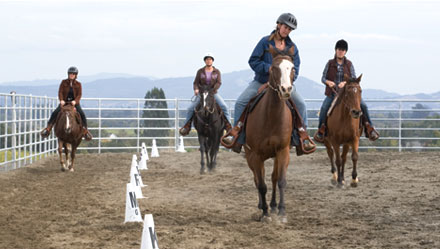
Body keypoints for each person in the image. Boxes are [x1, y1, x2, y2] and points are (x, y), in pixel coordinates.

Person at [222, 13, 315, 153]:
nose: (287, 30)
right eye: (285, 27)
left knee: (301, 104)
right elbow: (253, 60)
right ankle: (237, 136)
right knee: (241, 102)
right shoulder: (264, 42)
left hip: (283, 84)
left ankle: (301, 137)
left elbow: (295, 68)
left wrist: (287, 81)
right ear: (278, 25)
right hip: (261, 82)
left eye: (290, 29)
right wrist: (268, 69)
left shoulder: (292, 47)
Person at [313, 39, 379, 142]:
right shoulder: (330, 63)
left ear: (345, 52)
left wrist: (345, 83)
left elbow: (353, 78)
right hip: (333, 93)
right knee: (324, 108)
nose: (341, 51)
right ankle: (322, 130)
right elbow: (323, 78)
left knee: (363, 105)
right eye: (339, 49)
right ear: (335, 50)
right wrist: (328, 82)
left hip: (347, 94)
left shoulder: (349, 64)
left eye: (343, 50)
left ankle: (369, 128)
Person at [179, 53, 232, 135]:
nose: (208, 61)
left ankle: (228, 126)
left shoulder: (217, 71)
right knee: (190, 108)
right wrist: (196, 89)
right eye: (207, 59)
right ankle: (187, 126)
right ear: (205, 61)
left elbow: (219, 82)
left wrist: (213, 90)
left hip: (213, 93)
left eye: (210, 59)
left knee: (224, 106)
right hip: (202, 93)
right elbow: (196, 82)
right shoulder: (200, 71)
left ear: (212, 61)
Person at [40, 66, 92, 141]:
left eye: (73, 74)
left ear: (76, 75)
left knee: (82, 114)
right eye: (70, 73)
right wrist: (61, 100)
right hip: (64, 103)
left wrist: (75, 101)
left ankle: (85, 131)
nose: (71, 75)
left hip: (74, 103)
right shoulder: (63, 82)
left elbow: (79, 95)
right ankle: (48, 128)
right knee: (55, 113)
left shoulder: (78, 84)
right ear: (68, 74)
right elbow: (60, 92)